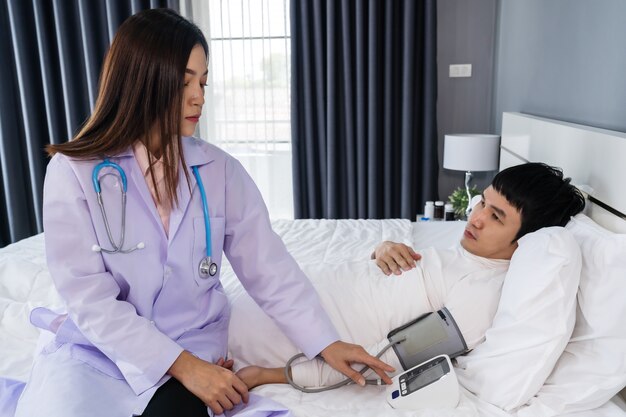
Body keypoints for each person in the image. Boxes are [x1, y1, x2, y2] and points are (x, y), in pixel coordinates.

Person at [13, 8, 392, 417]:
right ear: (142, 80)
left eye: (203, 82)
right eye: (184, 82)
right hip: (100, 352)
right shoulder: (74, 171)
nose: (200, 97)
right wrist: (184, 366)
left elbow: (269, 269)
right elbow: (89, 299)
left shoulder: (220, 171)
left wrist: (325, 343)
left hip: (192, 346)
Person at [234, 162, 585, 390]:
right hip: (289, 292)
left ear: (523, 241)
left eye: (496, 217)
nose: (476, 218)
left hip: (283, 328)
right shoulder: (469, 254)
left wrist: (270, 376)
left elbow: (384, 361)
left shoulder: (481, 298)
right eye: (482, 203)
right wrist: (380, 249)